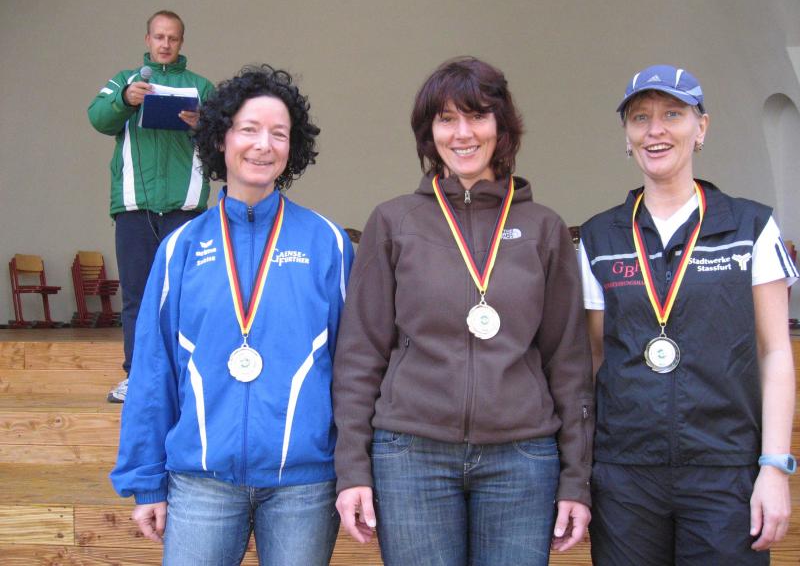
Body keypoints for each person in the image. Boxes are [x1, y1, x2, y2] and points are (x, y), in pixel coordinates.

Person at [333, 57, 593, 566]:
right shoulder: (394, 222)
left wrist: (576, 479)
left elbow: (569, 362)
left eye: (477, 116)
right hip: (411, 454)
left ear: (502, 126)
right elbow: (360, 355)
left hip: (522, 457)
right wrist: (353, 469)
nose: (463, 133)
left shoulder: (544, 229)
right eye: (446, 119)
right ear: (429, 133)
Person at [110, 65, 354, 565]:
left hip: (303, 485)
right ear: (221, 138)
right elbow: (153, 369)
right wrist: (146, 480)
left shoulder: (327, 243)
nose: (264, 145)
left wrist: (356, 472)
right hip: (201, 481)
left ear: (293, 147)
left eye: (279, 133)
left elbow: (355, 368)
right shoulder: (180, 248)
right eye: (249, 129)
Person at [579, 64, 798, 565]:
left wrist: (773, 467)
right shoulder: (599, 237)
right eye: (640, 118)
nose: (655, 130)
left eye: (673, 114)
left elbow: (775, 352)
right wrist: (583, 471)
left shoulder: (750, 226)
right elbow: (593, 360)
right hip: (625, 474)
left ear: (701, 128)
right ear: (627, 136)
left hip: (725, 470)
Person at [88, 10, 214, 403]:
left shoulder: (201, 87)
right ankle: (137, 377)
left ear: (181, 42)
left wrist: (203, 124)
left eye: (172, 38)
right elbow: (98, 118)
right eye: (159, 37)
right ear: (147, 40)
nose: (165, 44)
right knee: (138, 297)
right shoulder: (126, 80)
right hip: (134, 206)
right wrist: (125, 100)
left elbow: (225, 138)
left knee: (186, 297)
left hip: (185, 208)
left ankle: (184, 380)